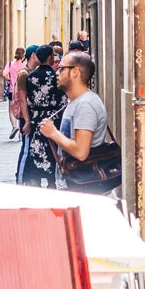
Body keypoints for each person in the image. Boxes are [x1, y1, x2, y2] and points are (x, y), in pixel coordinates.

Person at [40, 53, 115, 192]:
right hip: (78, 184)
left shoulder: (85, 105)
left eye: (61, 68)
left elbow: (81, 152)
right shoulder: (78, 101)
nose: (57, 72)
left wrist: (53, 133)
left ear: (75, 72)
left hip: (83, 188)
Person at [18, 46, 66, 187]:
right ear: (50, 57)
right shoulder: (56, 76)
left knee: (37, 150)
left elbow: (26, 100)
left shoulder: (31, 77)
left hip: (37, 118)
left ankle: (36, 181)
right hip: (54, 118)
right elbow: (63, 100)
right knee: (53, 149)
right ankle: (52, 182)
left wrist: (28, 120)